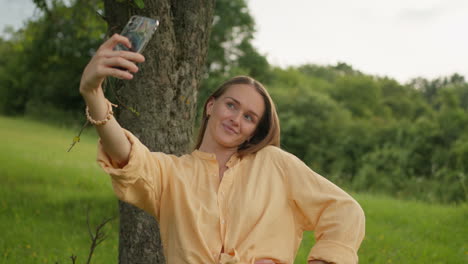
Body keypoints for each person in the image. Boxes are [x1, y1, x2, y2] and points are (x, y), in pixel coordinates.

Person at [80, 34, 365, 264]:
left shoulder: (274, 164)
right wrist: (93, 93)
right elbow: (126, 156)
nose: (236, 119)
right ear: (211, 105)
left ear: (256, 129)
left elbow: (345, 211)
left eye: (249, 117)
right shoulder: (171, 174)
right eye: (232, 105)